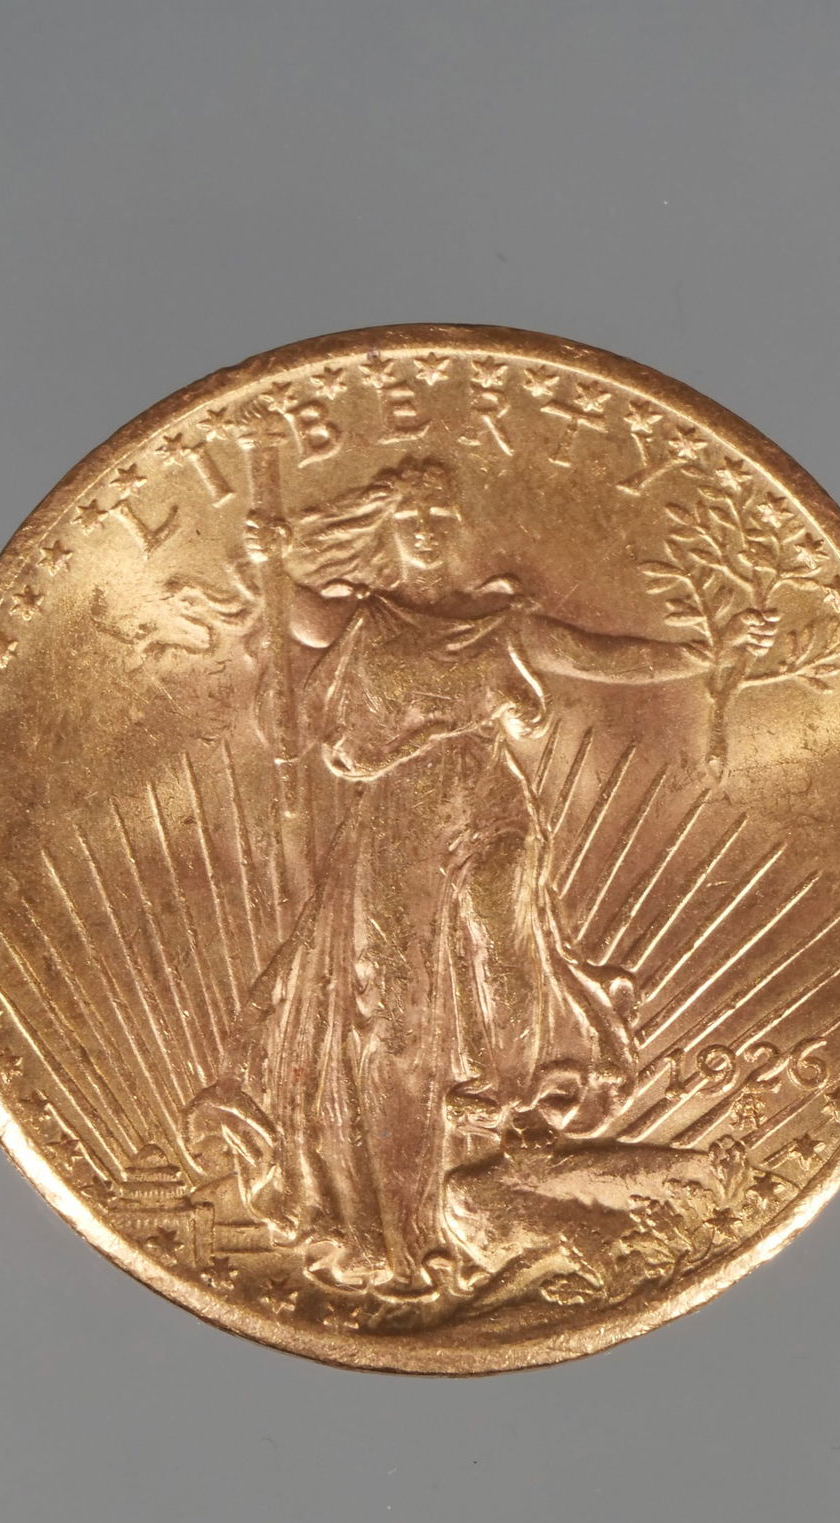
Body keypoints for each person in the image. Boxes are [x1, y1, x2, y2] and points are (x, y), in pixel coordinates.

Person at [193, 456, 706, 1298]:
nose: (426, 532)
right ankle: (404, 1207)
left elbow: (606, 657)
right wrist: (270, 558)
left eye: (438, 518)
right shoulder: (364, 619)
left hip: (491, 805)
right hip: (398, 824)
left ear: (458, 530)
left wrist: (705, 652)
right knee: (394, 1013)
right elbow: (294, 612)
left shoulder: (500, 626)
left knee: (505, 940)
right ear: (391, 533)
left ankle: (499, 1099)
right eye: (411, 520)